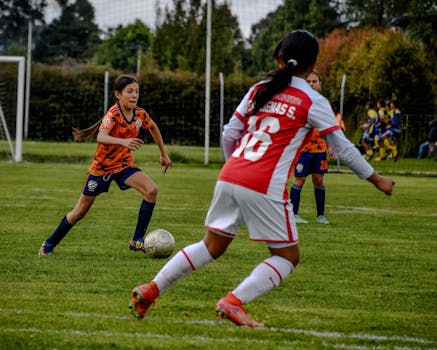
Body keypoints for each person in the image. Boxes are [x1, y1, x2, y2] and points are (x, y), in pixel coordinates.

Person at [129, 30, 395, 328]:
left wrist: (238, 166)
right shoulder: (312, 99)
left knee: (211, 246)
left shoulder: (259, 89)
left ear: (279, 58)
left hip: (230, 174)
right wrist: (377, 179)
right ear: (312, 65)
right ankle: (233, 301)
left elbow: (230, 133)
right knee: (287, 257)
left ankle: (151, 290)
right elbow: (343, 148)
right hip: (263, 183)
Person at [38, 75, 173, 256]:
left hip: (124, 165)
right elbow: (101, 136)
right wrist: (123, 142)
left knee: (152, 190)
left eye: (137, 92)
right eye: (129, 92)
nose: (134, 95)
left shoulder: (140, 114)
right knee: (80, 212)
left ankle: (137, 240)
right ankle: (49, 244)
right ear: (118, 94)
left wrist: (163, 154)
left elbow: (153, 127)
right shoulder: (113, 114)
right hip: (101, 169)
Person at [289, 70, 329, 224]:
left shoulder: (324, 103)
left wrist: (331, 146)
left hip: (320, 149)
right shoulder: (299, 101)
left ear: (320, 84)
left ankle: (321, 215)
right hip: (303, 149)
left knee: (318, 180)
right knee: (299, 179)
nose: (312, 84)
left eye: (315, 81)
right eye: (309, 81)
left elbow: (329, 126)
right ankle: (294, 213)